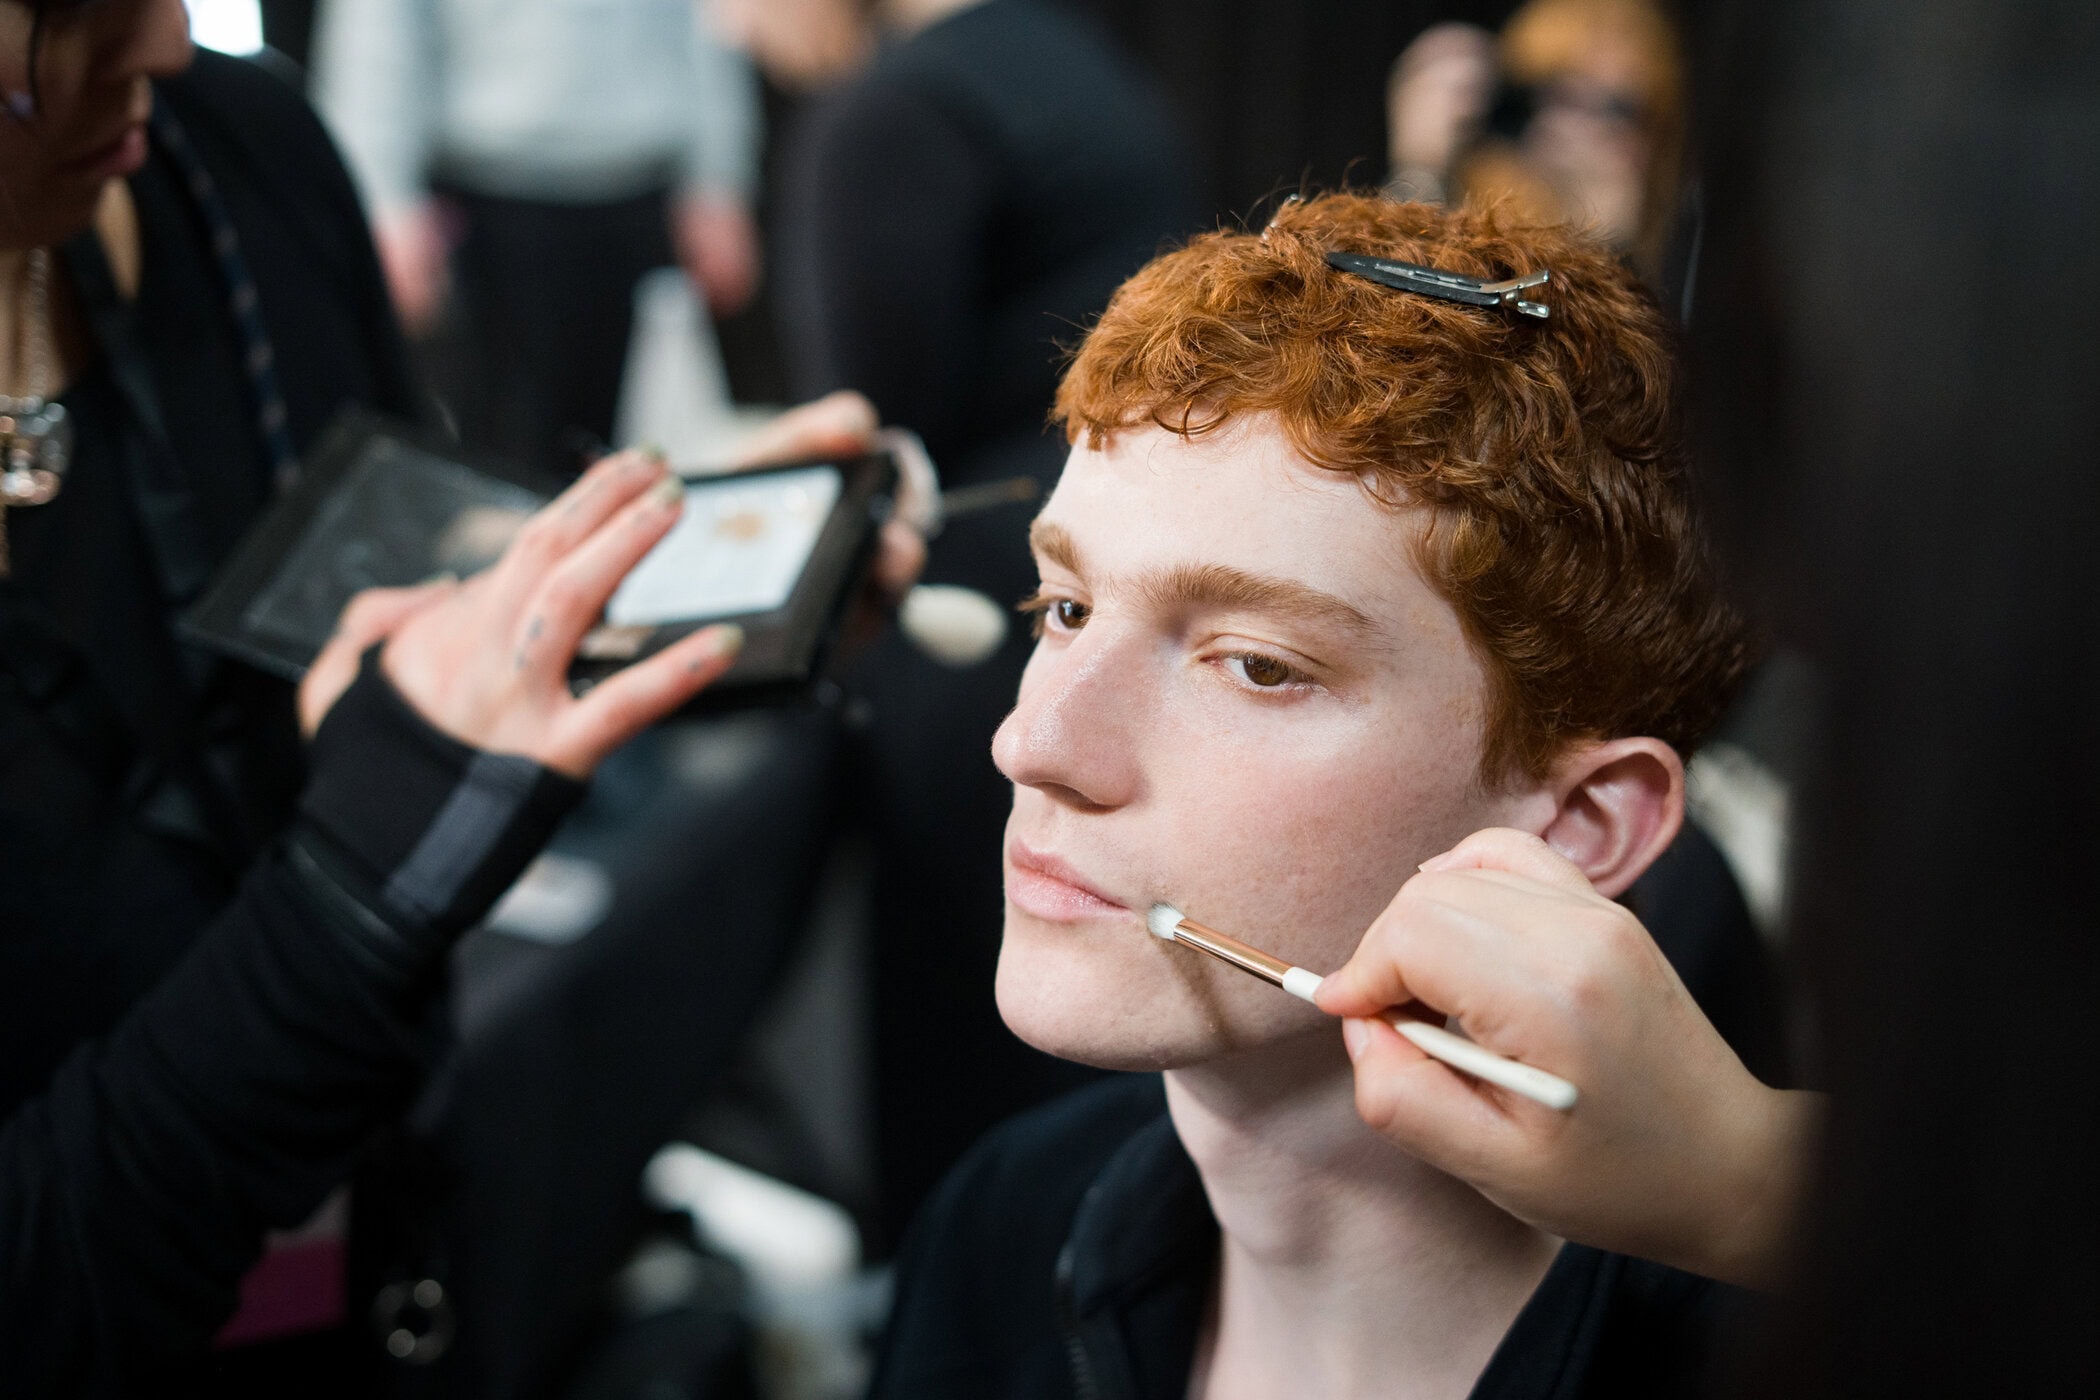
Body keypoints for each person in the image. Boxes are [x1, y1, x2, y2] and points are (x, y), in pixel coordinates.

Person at [869, 192, 1760, 1398]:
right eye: (1066, 608)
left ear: (1582, 821)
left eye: (1257, 665)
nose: (1035, 741)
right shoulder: (1004, 1232)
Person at [720, 0, 1205, 1240]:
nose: (721, 28)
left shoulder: (893, 117)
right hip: (1117, 608)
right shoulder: (1066, 59)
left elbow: (866, 446)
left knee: (974, 1078)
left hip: (985, 634)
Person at [312, 0, 762, 475]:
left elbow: (706, 18)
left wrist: (720, 176)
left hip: (642, 186)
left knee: (645, 449)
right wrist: (385, 197)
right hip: (492, 200)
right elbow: (380, 35)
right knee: (505, 460)